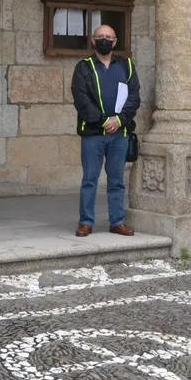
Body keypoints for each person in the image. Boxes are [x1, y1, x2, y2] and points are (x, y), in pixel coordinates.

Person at [71, 24, 140, 238]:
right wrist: (104, 121)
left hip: (120, 133)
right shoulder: (83, 67)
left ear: (115, 41)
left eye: (108, 37)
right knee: (90, 179)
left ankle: (117, 221)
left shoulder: (127, 65)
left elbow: (135, 96)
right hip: (93, 133)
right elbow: (81, 99)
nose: (104, 40)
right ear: (93, 41)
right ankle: (86, 222)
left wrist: (119, 120)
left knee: (117, 179)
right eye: (100, 36)